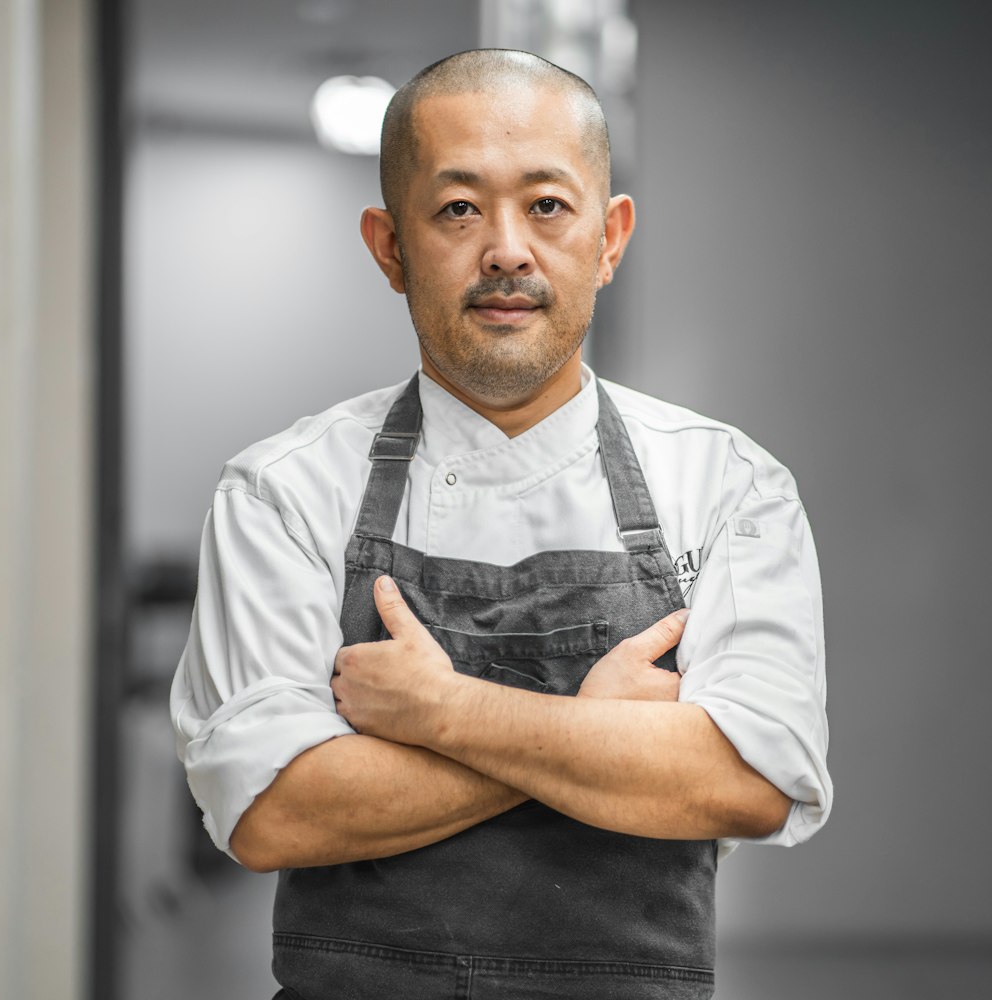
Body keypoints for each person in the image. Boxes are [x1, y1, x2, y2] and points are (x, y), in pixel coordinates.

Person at [171, 48, 831, 1000]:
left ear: (610, 239)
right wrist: (600, 736)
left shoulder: (730, 486)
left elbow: (748, 783)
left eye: (548, 206)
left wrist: (445, 713)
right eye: (457, 209)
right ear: (389, 247)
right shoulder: (282, 491)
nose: (508, 251)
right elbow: (276, 810)